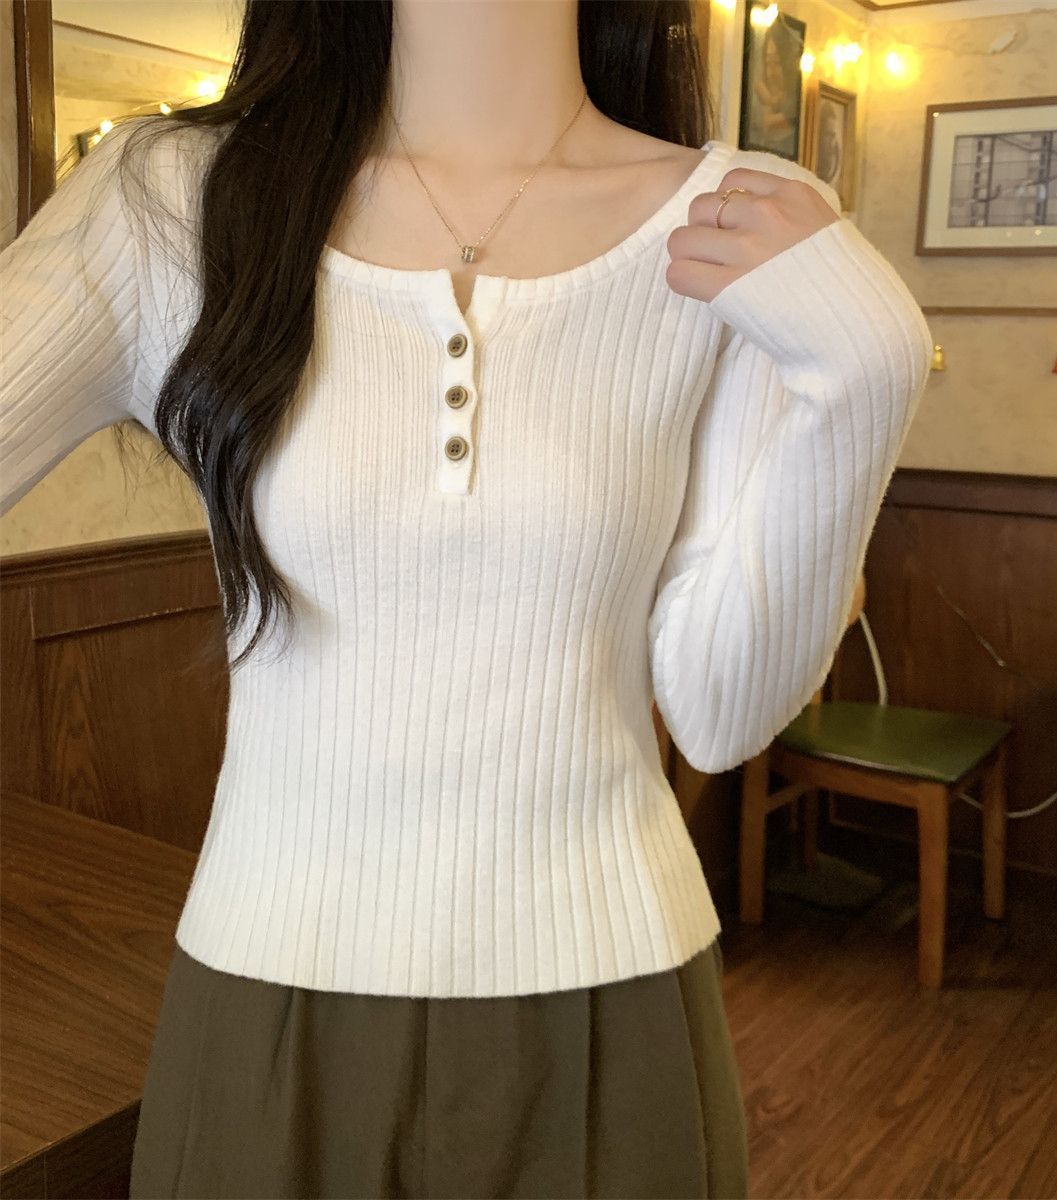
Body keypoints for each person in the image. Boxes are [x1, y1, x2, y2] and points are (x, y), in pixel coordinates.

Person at [0, 1, 933, 1196]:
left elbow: (719, 710)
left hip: (612, 1005)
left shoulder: (736, 219)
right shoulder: (168, 199)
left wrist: (864, 374)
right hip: (267, 998)